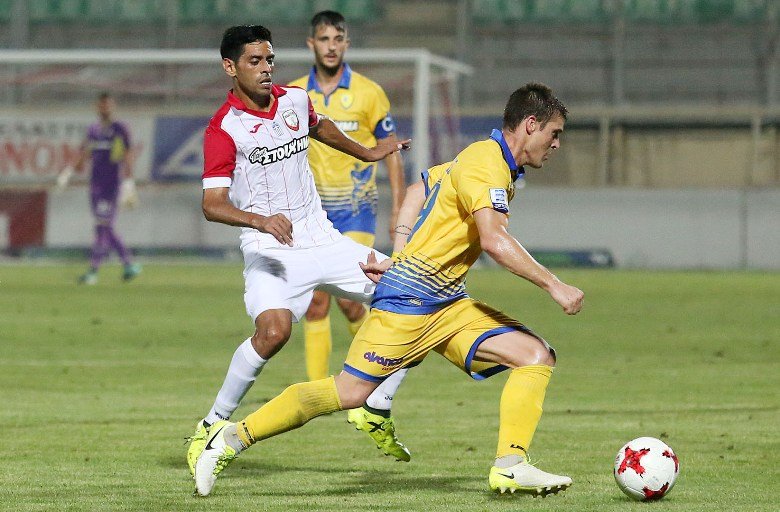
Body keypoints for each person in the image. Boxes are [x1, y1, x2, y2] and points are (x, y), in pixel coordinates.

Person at [194, 82, 585, 498]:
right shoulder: (487, 165)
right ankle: (231, 437)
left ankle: (510, 466)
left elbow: (418, 190)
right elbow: (493, 239)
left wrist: (399, 253)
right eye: (554, 133)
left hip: (448, 303)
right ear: (530, 124)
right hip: (410, 302)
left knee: (535, 355)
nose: (556, 144)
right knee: (348, 393)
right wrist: (555, 285)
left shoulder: (484, 157)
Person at [185, 25, 413, 477]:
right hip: (270, 248)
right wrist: (260, 220)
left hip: (321, 237)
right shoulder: (223, 129)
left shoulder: (294, 99)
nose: (266, 68)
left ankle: (376, 403)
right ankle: (211, 426)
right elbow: (212, 204)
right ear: (230, 67)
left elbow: (319, 127)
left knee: (414, 295)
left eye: (269, 59)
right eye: (255, 61)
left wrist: (367, 153)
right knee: (274, 332)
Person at [288, 11, 410, 454]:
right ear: (311, 44)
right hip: (312, 216)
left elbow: (391, 151)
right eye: (324, 38)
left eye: (338, 38)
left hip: (357, 211)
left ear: (346, 43)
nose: (331, 45)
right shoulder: (295, 95)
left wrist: (399, 208)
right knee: (317, 302)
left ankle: (366, 382)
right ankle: (321, 391)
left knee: (348, 298)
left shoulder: (369, 93)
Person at [56, 92, 141, 285]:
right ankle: (128, 265)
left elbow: (128, 154)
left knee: (104, 225)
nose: (105, 108)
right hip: (96, 185)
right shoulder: (93, 130)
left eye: (108, 105)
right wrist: (68, 172)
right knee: (102, 226)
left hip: (112, 184)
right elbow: (83, 153)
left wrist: (129, 182)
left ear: (113, 106)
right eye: (102, 105)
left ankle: (95, 271)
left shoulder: (120, 128)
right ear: (97, 107)